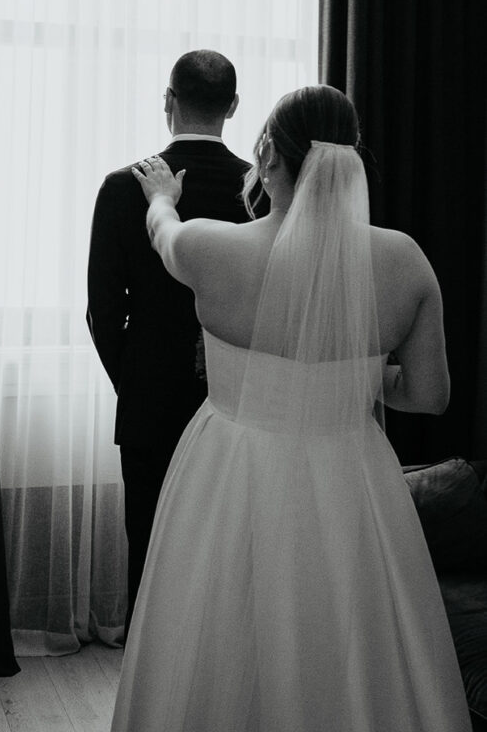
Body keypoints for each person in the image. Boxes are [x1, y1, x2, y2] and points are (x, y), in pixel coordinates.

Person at [111, 85, 471, 732]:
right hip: (349, 473)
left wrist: (163, 198)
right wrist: (356, 378)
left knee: (216, 628)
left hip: (230, 468)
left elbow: (162, 233)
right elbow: (427, 395)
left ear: (268, 155)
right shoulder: (402, 260)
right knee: (343, 630)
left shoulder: (209, 247)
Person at [86, 50, 252, 640]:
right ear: (233, 106)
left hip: (151, 397)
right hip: (242, 402)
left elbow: (103, 312)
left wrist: (134, 377)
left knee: (152, 546)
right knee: (231, 552)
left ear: (167, 100)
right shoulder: (258, 189)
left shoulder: (121, 186)